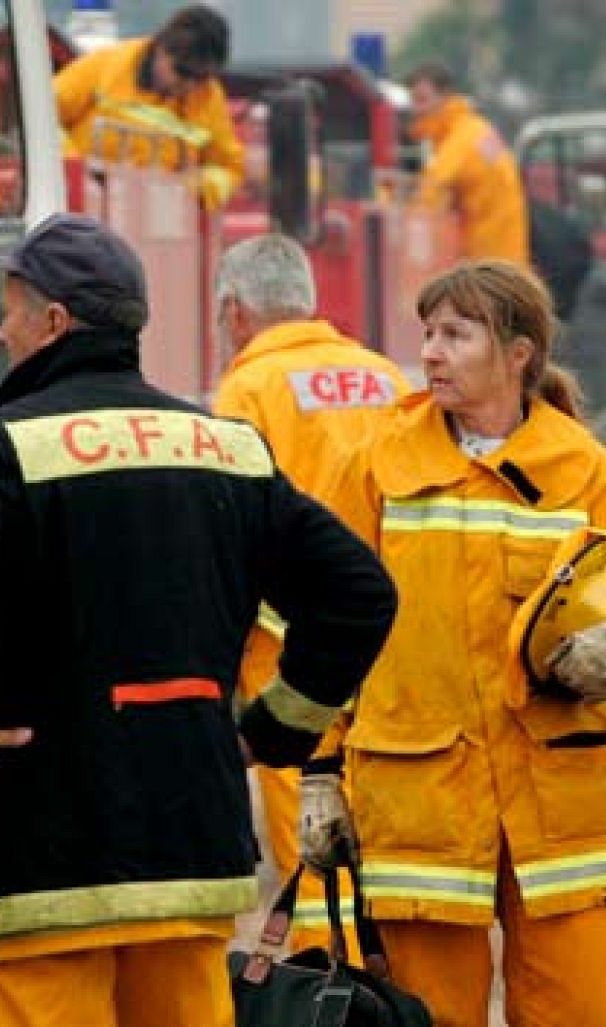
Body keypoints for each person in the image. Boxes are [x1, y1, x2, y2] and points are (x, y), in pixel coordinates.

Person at [0, 213, 398, 1026]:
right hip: (189, 849)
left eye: (8, 307)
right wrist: (270, 732)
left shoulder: (5, 445)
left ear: (54, 322)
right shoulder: (227, 445)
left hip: (41, 858)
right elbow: (361, 592)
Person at [311, 260, 606, 1026]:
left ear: (519, 353)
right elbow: (323, 622)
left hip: (558, 811)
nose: (431, 352)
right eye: (427, 334)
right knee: (425, 1013)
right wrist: (317, 768)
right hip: (420, 806)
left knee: (582, 998)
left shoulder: (580, 468)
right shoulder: (379, 464)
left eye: (455, 334)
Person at [210, 233, 409, 953]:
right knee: (382, 817)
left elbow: (233, 521)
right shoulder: (387, 375)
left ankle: (330, 982)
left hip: (290, 647)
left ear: (234, 312)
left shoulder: (245, 390)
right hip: (390, 629)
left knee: (312, 832)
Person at [53, 5, 244, 210]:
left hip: (161, 222)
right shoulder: (107, 67)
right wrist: (74, 167)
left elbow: (228, 168)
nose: (190, 84)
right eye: (183, 72)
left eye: (201, 77)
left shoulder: (209, 96)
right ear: (162, 49)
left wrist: (197, 188)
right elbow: (41, 117)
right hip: (83, 209)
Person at [406, 61, 528, 264]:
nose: (416, 109)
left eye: (422, 100)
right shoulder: (476, 129)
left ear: (445, 97)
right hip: (508, 256)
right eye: (413, 100)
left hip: (486, 263)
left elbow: (428, 197)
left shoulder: (459, 142)